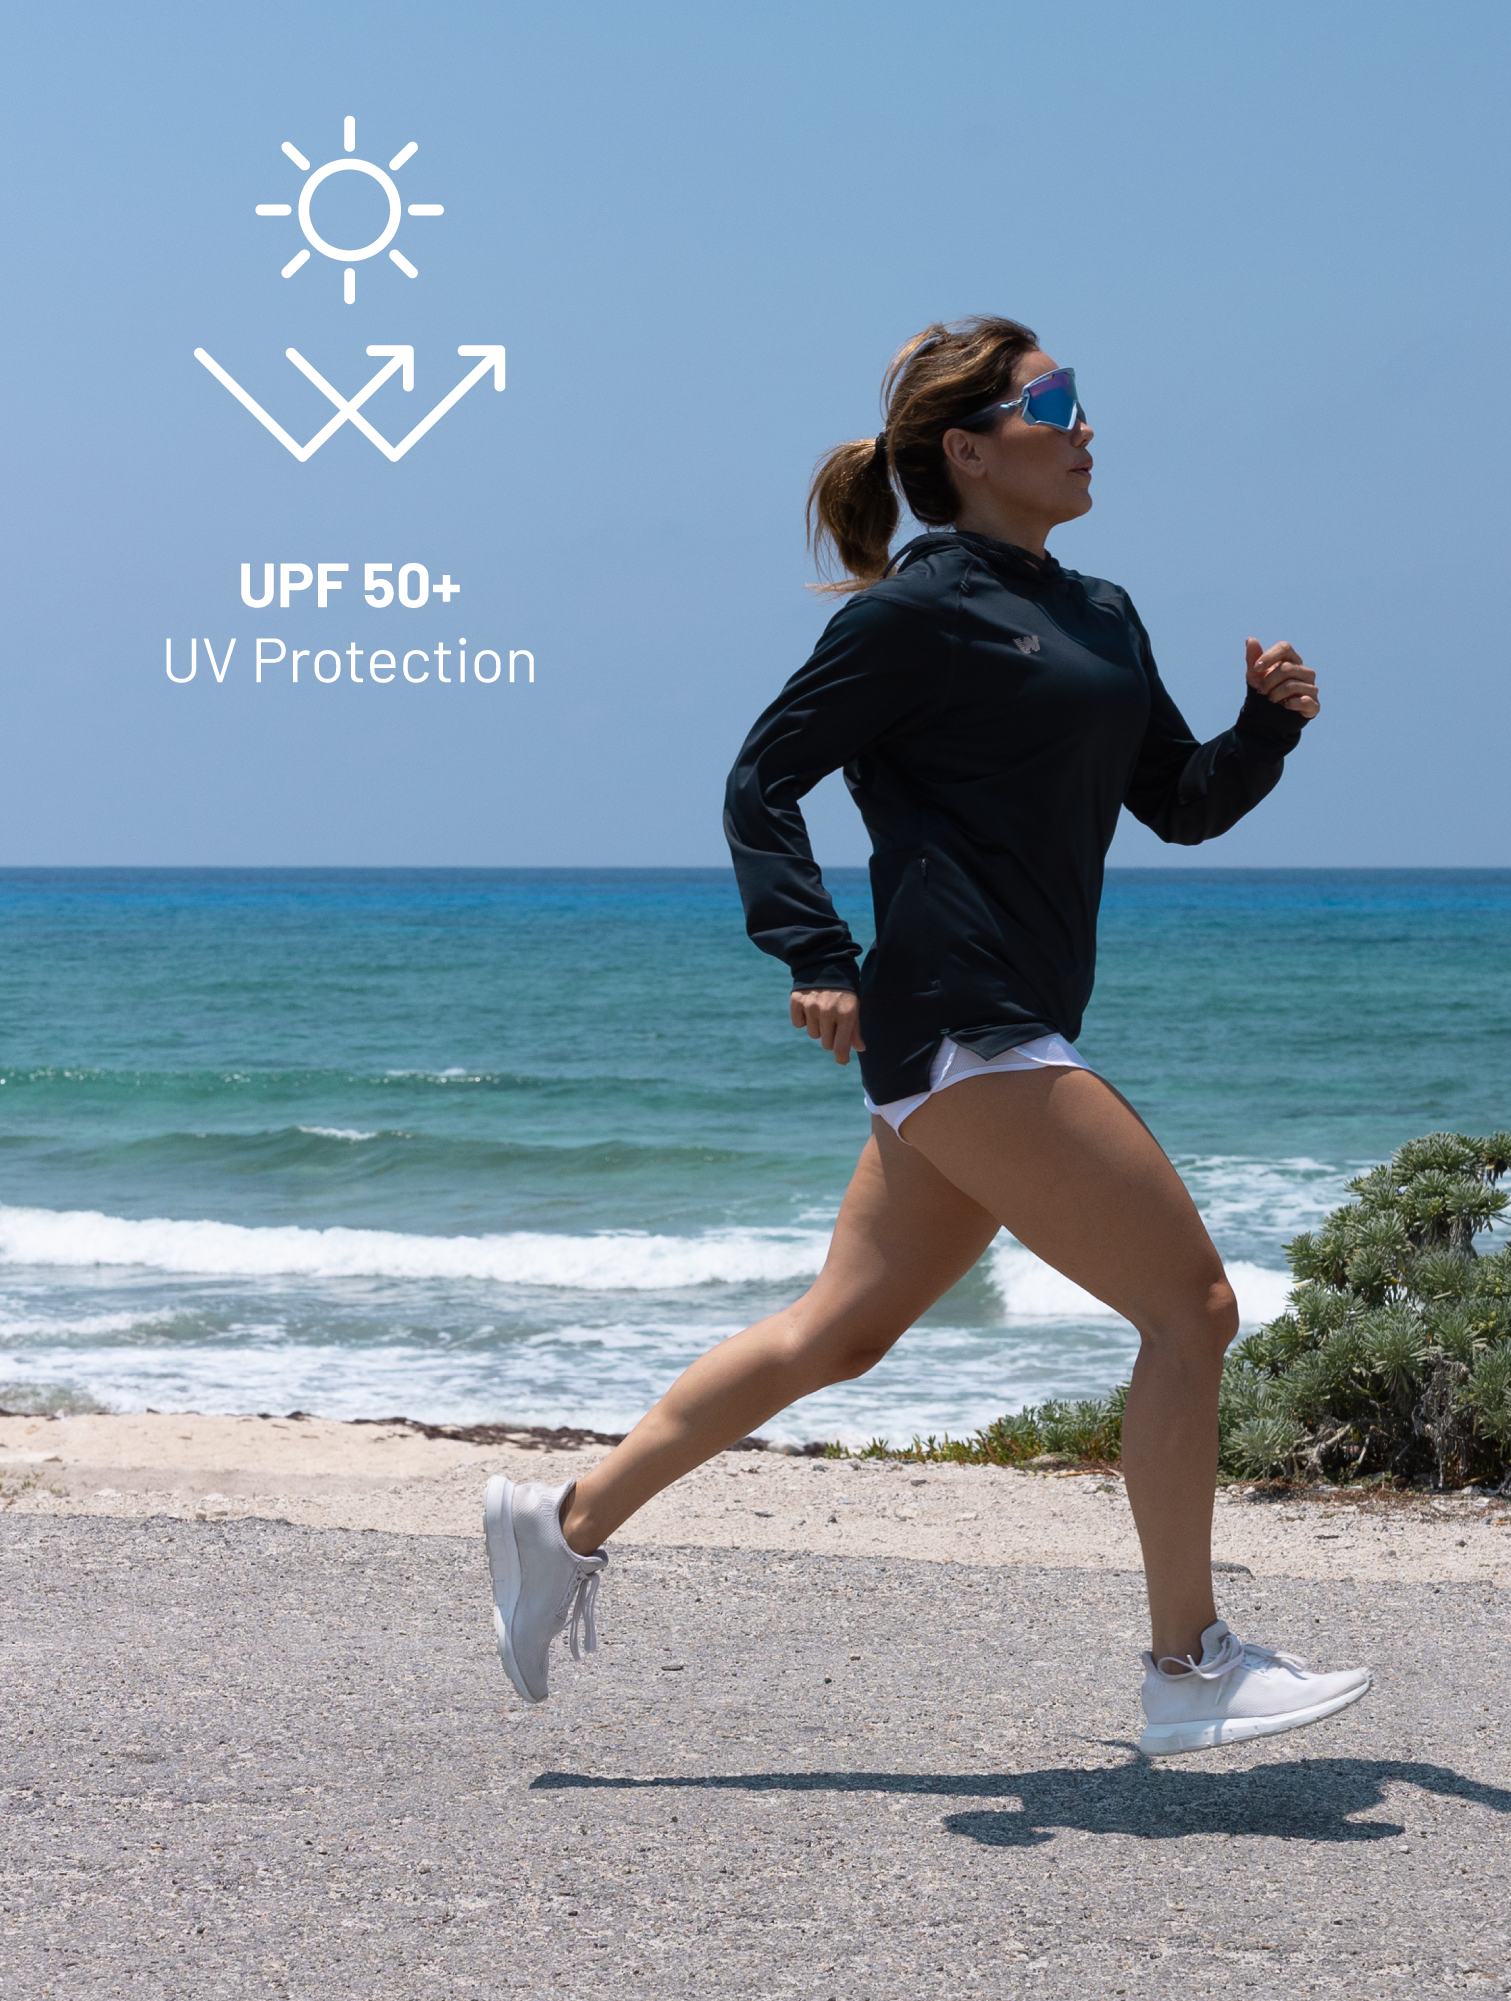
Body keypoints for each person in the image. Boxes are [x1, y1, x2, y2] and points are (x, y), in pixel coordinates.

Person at [483, 317, 1370, 1756]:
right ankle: (1187, 1662)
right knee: (1193, 1310)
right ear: (968, 449)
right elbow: (762, 783)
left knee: (836, 1336)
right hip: (963, 1022)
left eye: (1082, 401)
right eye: (1056, 402)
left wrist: (1262, 727)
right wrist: (815, 954)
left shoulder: (1101, 613)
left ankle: (562, 1522)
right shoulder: (909, 615)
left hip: (997, 1029)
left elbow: (1180, 802)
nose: (1089, 426)